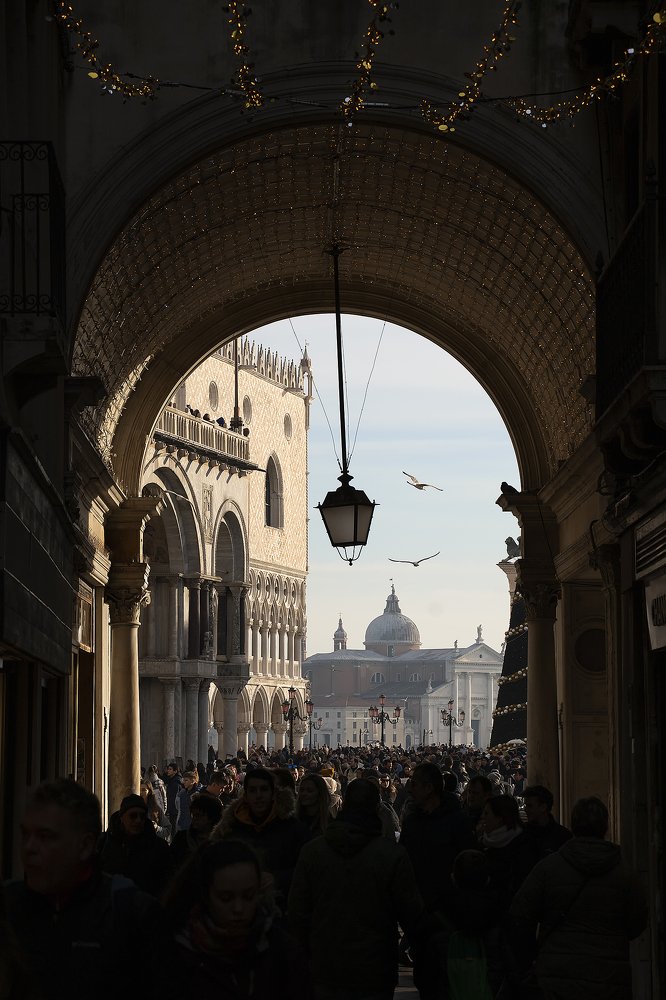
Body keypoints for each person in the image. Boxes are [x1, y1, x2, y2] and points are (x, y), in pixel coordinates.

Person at [4, 779, 167, 1000]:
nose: (29, 848)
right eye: (26, 835)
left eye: (45, 836)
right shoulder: (8, 907)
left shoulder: (133, 915)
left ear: (85, 846)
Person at [288, 778, 425, 1000]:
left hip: (324, 961)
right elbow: (411, 913)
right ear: (376, 808)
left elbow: (297, 911)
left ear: (344, 805)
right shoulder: (391, 855)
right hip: (375, 964)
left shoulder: (313, 851)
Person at [508, 796, 648, 1000]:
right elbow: (638, 922)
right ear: (605, 826)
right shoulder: (625, 874)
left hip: (557, 976)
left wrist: (535, 955)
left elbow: (519, 915)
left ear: (573, 825)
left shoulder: (549, 868)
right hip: (608, 975)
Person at [164, 839, 311, 999]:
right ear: (206, 895)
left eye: (248, 896)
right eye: (226, 898)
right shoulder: (176, 956)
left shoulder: (284, 954)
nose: (238, 909)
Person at [211, 767, 310, 911]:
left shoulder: (293, 829)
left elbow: (305, 869)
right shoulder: (231, 829)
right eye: (252, 790)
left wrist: (277, 879)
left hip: (282, 910)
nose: (258, 796)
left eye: (264, 789)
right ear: (245, 795)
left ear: (273, 793)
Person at [399, 762, 476, 913]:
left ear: (429, 788)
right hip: (419, 904)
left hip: (450, 905)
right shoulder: (411, 822)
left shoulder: (458, 822)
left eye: (414, 784)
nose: (410, 789)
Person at [98, 793, 173, 897]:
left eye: (142, 816)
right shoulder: (104, 844)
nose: (138, 820)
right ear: (122, 817)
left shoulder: (159, 847)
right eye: (133, 816)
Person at [480, 794, 539, 906]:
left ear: (499, 818)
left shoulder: (524, 846)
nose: (482, 816)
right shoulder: (483, 842)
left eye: (487, 813)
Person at [170, 792, 223, 871]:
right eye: (193, 815)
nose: (194, 819)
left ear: (212, 817)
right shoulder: (181, 839)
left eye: (199, 816)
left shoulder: (222, 842)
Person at [522, 784, 572, 858]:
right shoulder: (521, 834)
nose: (525, 809)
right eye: (525, 806)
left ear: (543, 807)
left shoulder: (562, 837)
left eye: (530, 806)